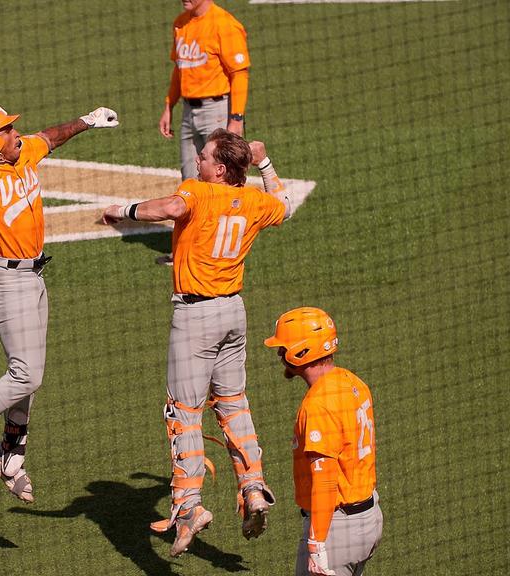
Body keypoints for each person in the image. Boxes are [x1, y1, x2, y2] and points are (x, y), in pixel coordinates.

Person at [102, 129, 290, 556]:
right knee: (233, 403)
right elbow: (286, 204)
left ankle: (189, 506)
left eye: (204, 156)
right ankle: (253, 486)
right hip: (233, 314)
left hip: (195, 317)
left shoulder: (199, 192)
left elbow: (169, 207)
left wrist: (122, 209)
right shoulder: (258, 202)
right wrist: (265, 162)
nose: (198, 160)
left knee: (183, 411)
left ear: (219, 169)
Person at [0, 104, 119, 503]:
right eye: (10, 131)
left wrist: (88, 119)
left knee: (28, 371)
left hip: (33, 276)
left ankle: (9, 455)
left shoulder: (22, 152)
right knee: (26, 374)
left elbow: (51, 137)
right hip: (5, 282)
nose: (19, 134)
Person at [264, 307, 383, 576]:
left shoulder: (318, 405)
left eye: (284, 348)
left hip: (336, 530)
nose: (279, 354)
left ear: (301, 352)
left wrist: (316, 544)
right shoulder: (352, 382)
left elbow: (326, 481)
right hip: (369, 517)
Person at [156, 0, 251, 266]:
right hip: (188, 110)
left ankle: (224, 249)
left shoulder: (225, 24)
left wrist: (236, 119)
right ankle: (186, 251)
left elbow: (239, 74)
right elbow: (179, 69)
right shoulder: (181, 22)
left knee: (221, 182)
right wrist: (168, 106)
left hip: (217, 109)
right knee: (190, 181)